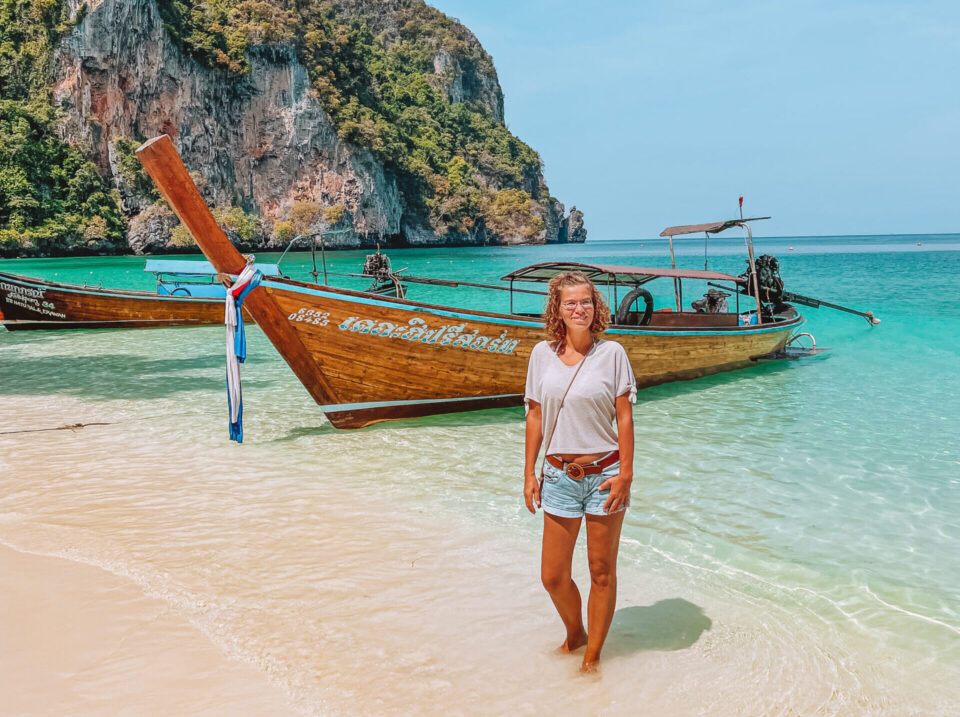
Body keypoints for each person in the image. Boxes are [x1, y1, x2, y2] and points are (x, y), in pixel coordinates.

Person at [523, 270, 636, 673]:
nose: (579, 309)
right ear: (557, 308)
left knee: (601, 572)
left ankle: (592, 659)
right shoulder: (541, 355)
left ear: (596, 306)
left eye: (585, 301)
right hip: (557, 476)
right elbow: (534, 415)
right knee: (553, 576)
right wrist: (529, 472)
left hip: (605, 474)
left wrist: (626, 474)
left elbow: (624, 419)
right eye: (570, 302)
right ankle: (576, 633)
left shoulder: (613, 354)